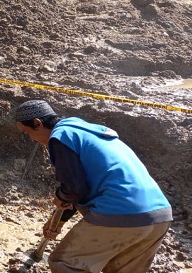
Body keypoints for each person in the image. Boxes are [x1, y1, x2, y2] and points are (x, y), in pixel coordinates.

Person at [14, 100, 173, 273]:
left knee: (65, 264)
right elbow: (81, 187)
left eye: (26, 133)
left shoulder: (61, 136)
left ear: (37, 123)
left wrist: (60, 196)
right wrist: (58, 220)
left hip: (120, 212)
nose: (32, 139)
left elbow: (73, 189)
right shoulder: (88, 132)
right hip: (159, 216)